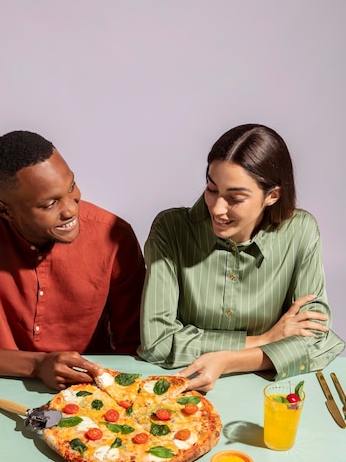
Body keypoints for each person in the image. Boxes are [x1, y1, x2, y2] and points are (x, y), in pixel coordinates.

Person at [0, 130, 146, 391]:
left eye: (70, 187)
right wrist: (35, 365)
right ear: (4, 210)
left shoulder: (114, 236)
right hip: (2, 384)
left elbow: (134, 347)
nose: (71, 209)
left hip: (94, 391)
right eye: (50, 204)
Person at [138, 123, 344, 392]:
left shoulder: (301, 231)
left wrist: (229, 361)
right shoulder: (171, 229)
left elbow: (316, 340)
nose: (218, 208)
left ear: (272, 196)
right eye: (212, 189)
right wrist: (265, 340)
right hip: (182, 386)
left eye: (235, 198)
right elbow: (158, 342)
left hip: (272, 390)